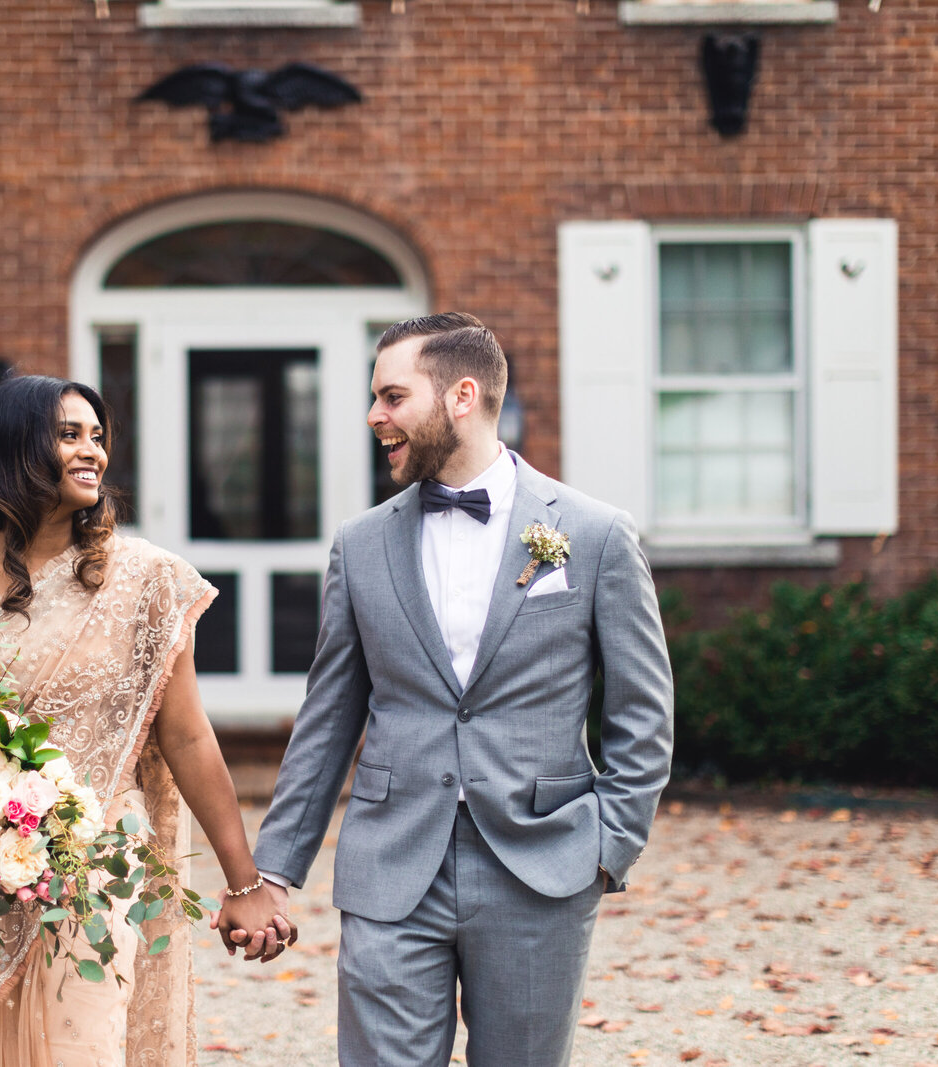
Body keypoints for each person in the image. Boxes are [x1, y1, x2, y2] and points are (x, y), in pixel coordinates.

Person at [243, 314, 674, 1066]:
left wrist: (608, 845)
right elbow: (328, 718)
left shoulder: (596, 534)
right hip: (391, 860)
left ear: (461, 396)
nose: (375, 416)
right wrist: (275, 869)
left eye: (392, 396)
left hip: (543, 865)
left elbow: (643, 711)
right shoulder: (361, 543)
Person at [0, 375, 291, 1067]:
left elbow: (187, 735)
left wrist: (245, 882)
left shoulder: (144, 578)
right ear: (12, 447)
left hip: (101, 865)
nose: (92, 451)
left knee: (84, 1046)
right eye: (70, 433)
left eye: (97, 436)